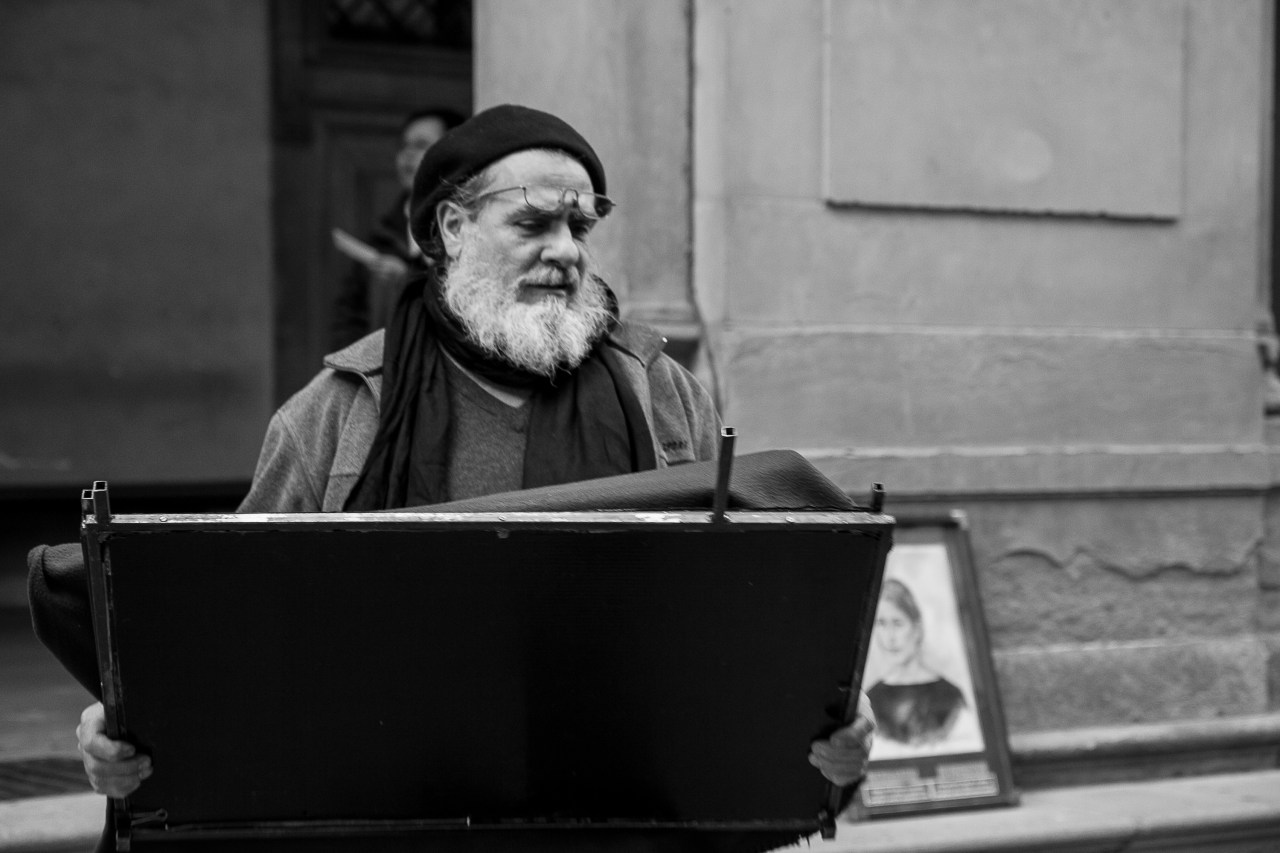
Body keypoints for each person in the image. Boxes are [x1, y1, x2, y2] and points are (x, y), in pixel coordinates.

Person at [72, 104, 875, 842]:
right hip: (393, 813)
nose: (565, 251)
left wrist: (831, 716)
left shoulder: (662, 393)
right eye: (532, 222)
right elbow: (228, 621)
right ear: (452, 228)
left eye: (579, 225)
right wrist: (119, 726)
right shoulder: (334, 411)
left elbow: (742, 611)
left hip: (624, 812)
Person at [330, 107, 466, 350]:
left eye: (421, 145)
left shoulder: (468, 227)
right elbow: (350, 316)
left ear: (451, 154)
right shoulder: (383, 234)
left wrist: (406, 280)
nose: (407, 155)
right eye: (404, 146)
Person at [867, 578, 979, 756]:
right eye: (881, 623)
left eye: (897, 623)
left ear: (917, 628)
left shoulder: (950, 695)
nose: (890, 637)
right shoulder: (872, 698)